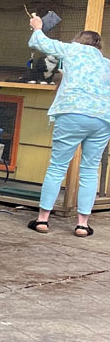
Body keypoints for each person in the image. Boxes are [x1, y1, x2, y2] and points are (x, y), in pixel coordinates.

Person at [27, 14, 110, 237]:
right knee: (90, 170)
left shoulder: (71, 50)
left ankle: (43, 220)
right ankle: (82, 224)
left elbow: (41, 43)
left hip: (72, 112)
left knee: (57, 166)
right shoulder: (106, 64)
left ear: (78, 40)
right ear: (99, 47)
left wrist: (37, 26)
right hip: (102, 118)